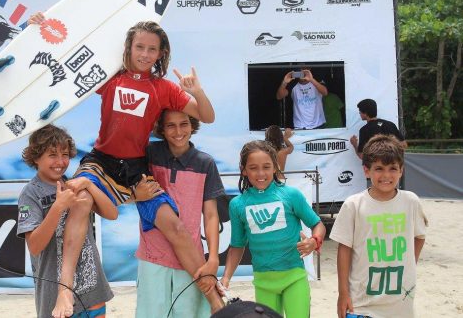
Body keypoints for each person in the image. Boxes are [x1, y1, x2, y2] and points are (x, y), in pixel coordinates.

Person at [27, 14, 223, 317]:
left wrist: (195, 90)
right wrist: (43, 27)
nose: (145, 54)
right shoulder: (110, 76)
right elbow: (67, 61)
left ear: (161, 53)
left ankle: (214, 300)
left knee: (176, 228)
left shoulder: (164, 88)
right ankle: (65, 290)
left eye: (152, 49)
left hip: (135, 168)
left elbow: (207, 116)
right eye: (139, 47)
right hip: (100, 161)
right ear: (128, 48)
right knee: (80, 200)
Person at [16, 125, 117, 318]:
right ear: (36, 157)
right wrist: (57, 207)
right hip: (54, 295)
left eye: (65, 154)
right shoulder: (31, 193)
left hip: (91, 289)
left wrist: (88, 185)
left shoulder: (74, 184)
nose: (60, 162)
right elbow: (35, 246)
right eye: (52, 155)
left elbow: (112, 214)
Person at [220, 141, 326, 318]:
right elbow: (237, 246)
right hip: (263, 282)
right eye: (253, 168)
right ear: (244, 169)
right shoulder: (237, 205)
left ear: (275, 167)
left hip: (295, 276)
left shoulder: (291, 195)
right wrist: (226, 277)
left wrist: (314, 241)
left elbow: (318, 224)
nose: (260, 173)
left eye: (266, 167)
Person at [135, 110, 225, 318]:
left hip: (192, 259)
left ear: (193, 125)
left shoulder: (206, 163)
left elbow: (211, 215)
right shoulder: (148, 153)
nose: (178, 131)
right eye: (170, 125)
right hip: (153, 256)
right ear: (161, 129)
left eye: (184, 124)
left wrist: (213, 258)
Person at [330, 134, 427, 318]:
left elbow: (419, 237)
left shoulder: (411, 201)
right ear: (366, 170)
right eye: (379, 168)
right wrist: (343, 294)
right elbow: (344, 249)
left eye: (392, 168)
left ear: (401, 170)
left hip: (400, 302)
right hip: (361, 302)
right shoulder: (353, 205)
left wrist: (408, 264)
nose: (386, 175)